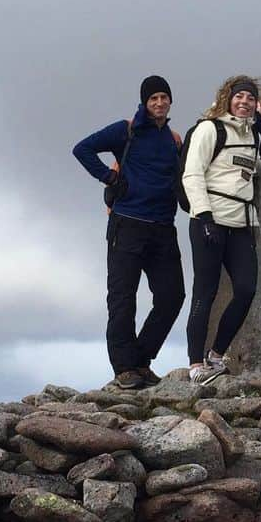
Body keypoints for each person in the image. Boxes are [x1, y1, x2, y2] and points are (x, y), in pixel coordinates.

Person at [72, 76, 185, 390]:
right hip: (127, 224)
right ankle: (124, 368)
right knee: (123, 299)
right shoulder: (126, 130)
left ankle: (140, 359)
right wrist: (109, 177)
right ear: (144, 102)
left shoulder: (174, 140)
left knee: (172, 296)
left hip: (163, 227)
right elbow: (82, 149)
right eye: (153, 98)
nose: (159, 103)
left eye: (164, 97)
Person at [182, 75, 261, 385]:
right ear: (228, 98)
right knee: (205, 293)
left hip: (240, 222)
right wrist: (205, 216)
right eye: (239, 97)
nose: (245, 102)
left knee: (247, 289)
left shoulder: (253, 134)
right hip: (208, 221)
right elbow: (192, 174)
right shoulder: (209, 129)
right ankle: (196, 364)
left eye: (250, 99)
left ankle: (216, 355)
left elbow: (246, 164)